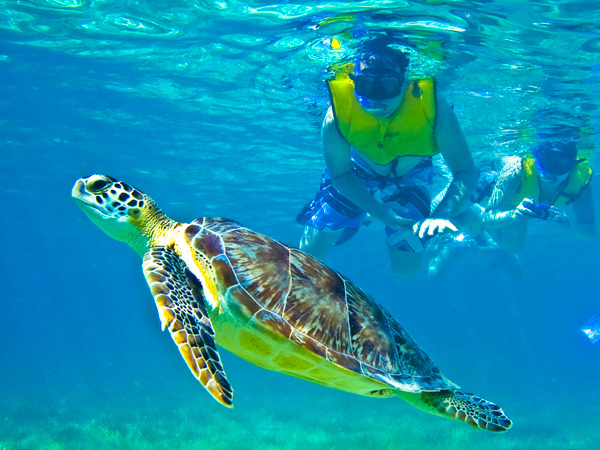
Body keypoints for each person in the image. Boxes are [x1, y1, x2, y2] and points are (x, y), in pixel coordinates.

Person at [296, 41, 477, 277]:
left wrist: (441, 214)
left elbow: (466, 172)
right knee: (308, 254)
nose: (376, 97)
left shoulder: (434, 108)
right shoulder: (336, 115)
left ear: (404, 83)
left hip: (410, 179)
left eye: (387, 85)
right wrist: (382, 213)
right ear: (353, 82)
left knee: (406, 269)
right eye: (365, 85)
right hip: (356, 175)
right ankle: (363, 213)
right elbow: (340, 174)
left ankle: (372, 213)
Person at [482, 140, 596, 255]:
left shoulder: (581, 180)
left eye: (562, 163)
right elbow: (487, 218)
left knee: (513, 248)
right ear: (536, 159)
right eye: (546, 161)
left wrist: (569, 226)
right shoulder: (515, 171)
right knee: (513, 247)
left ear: (573, 164)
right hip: (506, 195)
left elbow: (590, 231)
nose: (551, 172)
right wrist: (514, 214)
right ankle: (475, 209)